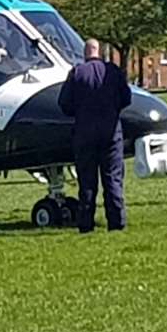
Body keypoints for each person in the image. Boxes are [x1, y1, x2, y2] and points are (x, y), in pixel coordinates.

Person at [57, 37, 132, 232]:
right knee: (113, 178)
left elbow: (64, 104)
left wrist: (80, 112)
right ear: (99, 51)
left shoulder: (76, 73)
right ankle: (116, 221)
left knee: (87, 181)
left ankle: (86, 223)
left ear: (85, 53)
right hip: (110, 132)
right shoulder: (113, 72)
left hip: (84, 132)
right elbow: (126, 98)